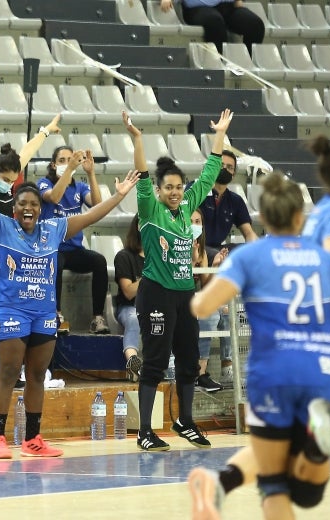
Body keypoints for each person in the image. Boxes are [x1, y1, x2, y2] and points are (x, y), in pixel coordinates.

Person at [188, 137, 330, 520]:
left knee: (281, 457)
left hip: (287, 360)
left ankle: (224, 482)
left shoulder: (320, 216)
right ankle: (321, 451)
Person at [0, 135, 138, 458]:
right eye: (22, 205)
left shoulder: (53, 229)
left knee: (38, 376)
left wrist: (120, 196)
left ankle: (33, 439)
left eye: (33, 205)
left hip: (43, 314)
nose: (28, 209)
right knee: (9, 373)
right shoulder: (1, 226)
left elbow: (91, 216)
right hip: (11, 311)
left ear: (40, 210)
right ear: (14, 209)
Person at [130, 108, 233, 452]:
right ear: (158, 190)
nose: (174, 192)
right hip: (155, 294)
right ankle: (145, 430)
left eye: (178, 187)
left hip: (185, 295)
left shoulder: (188, 205)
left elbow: (209, 173)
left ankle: (184, 421)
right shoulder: (149, 209)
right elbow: (142, 174)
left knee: (189, 361)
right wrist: (137, 139)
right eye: (168, 188)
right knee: (157, 362)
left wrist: (219, 134)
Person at [0, 116, 61, 390]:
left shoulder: (13, 196)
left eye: (13, 180)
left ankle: (4, 372)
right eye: (6, 178)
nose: (9, 184)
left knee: (7, 320)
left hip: (11, 266)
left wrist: (46, 131)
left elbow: (27, 153)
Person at [37, 146, 111, 334]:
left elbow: (97, 204)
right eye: (62, 160)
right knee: (55, 262)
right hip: (52, 247)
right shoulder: (44, 183)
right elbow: (54, 197)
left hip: (74, 248)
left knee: (99, 261)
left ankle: (97, 318)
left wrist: (91, 173)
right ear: (53, 165)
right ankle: (56, 314)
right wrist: (69, 169)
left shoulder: (79, 187)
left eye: (71, 159)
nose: (67, 163)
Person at [191, 207, 228, 393]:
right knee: (210, 314)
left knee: (225, 310)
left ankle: (226, 366)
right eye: (191, 221)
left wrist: (215, 266)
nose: (194, 225)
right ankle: (199, 373)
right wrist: (191, 261)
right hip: (176, 299)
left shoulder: (203, 251)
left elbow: (205, 287)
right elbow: (180, 283)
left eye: (198, 222)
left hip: (194, 299)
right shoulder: (173, 247)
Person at [196, 150, 259, 258]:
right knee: (220, 256)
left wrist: (257, 248)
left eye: (229, 167)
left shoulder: (235, 200)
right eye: (221, 165)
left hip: (218, 249)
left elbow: (248, 233)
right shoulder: (197, 190)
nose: (224, 169)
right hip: (195, 247)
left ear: (233, 174)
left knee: (244, 251)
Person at [162, 0, 265, 55]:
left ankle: (248, 63)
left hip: (227, 6)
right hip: (198, 8)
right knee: (215, 21)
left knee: (255, 25)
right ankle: (220, 64)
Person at [114, 214, 144, 383]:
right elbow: (128, 292)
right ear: (140, 227)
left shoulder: (163, 256)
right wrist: (149, 273)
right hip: (129, 306)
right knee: (134, 318)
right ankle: (133, 363)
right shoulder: (124, 256)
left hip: (156, 306)